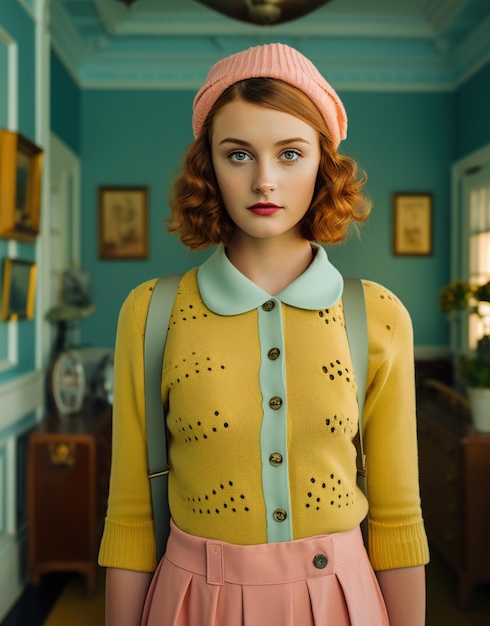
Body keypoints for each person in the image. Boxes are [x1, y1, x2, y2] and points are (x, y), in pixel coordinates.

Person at [98, 42, 429, 626]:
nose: (265, 180)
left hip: (341, 604)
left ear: (322, 164)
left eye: (291, 153)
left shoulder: (379, 316)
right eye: (239, 155)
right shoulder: (150, 312)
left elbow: (398, 522)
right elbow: (128, 521)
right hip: (194, 604)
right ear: (210, 166)